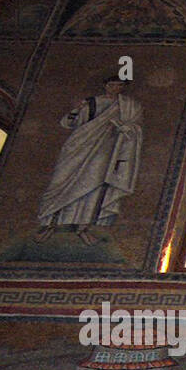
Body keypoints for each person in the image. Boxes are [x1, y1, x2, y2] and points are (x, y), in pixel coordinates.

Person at [36, 75, 142, 245]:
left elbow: (133, 127)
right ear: (105, 85)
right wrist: (76, 110)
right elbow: (70, 123)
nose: (115, 88)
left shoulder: (128, 106)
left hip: (105, 151)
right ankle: (49, 225)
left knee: (93, 188)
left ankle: (83, 229)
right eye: (112, 84)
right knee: (61, 182)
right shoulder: (91, 103)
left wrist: (124, 128)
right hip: (79, 147)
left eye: (119, 85)